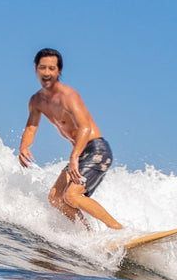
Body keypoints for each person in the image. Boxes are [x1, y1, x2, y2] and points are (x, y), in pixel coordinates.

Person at [18, 48, 123, 230]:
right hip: (81, 153)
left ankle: (119, 230)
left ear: (59, 71)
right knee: (55, 197)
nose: (47, 73)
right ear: (36, 68)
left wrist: (74, 157)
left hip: (96, 150)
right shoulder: (37, 101)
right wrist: (23, 147)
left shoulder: (68, 96)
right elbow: (31, 127)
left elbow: (85, 127)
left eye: (52, 68)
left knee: (72, 195)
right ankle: (87, 233)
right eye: (43, 68)